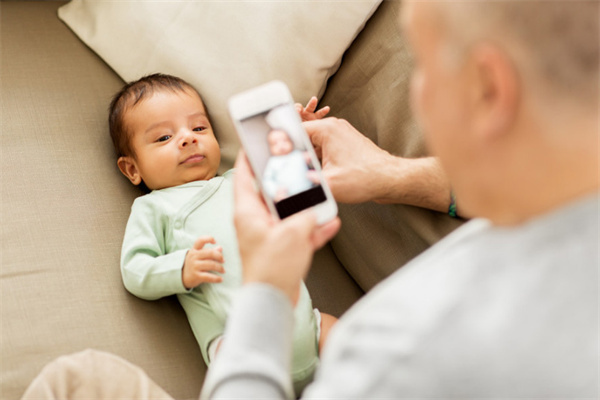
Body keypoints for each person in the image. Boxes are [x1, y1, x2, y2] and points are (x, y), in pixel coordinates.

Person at [200, 1, 599, 398]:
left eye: (423, 64)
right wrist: (392, 174)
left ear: (489, 88)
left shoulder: (402, 350)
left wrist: (266, 288)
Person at [108, 73, 336, 394]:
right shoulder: (154, 207)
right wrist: (182, 267)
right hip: (237, 344)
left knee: (357, 341)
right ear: (133, 169)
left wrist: (302, 143)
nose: (188, 139)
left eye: (199, 128)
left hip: (308, 328)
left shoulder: (241, 179)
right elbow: (135, 270)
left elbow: (296, 192)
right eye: (163, 138)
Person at [262, 127, 317, 202]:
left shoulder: (297, 154)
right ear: (270, 148)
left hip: (309, 188)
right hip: (289, 195)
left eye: (285, 140)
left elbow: (310, 157)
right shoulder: (273, 162)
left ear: (291, 142)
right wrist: (275, 191)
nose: (281, 145)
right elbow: (267, 179)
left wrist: (309, 156)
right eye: (275, 143)